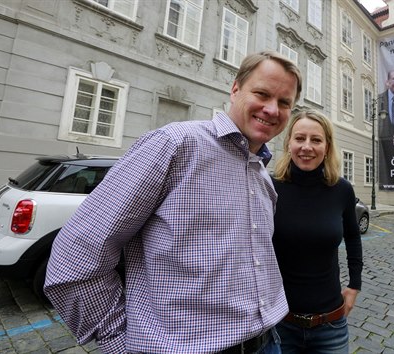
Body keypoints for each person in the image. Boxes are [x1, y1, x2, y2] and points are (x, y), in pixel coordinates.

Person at [43, 51, 302, 353]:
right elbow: (76, 252)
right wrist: (116, 340)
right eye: (262, 93)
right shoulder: (175, 144)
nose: (272, 109)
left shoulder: (261, 172)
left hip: (267, 340)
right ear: (235, 89)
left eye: (285, 103)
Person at [271, 110, 363, 353]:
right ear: (289, 142)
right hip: (279, 323)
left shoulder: (341, 190)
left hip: (329, 325)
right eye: (300, 138)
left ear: (327, 146)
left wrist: (354, 285)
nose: (307, 147)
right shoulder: (270, 187)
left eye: (316, 140)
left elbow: (353, 237)